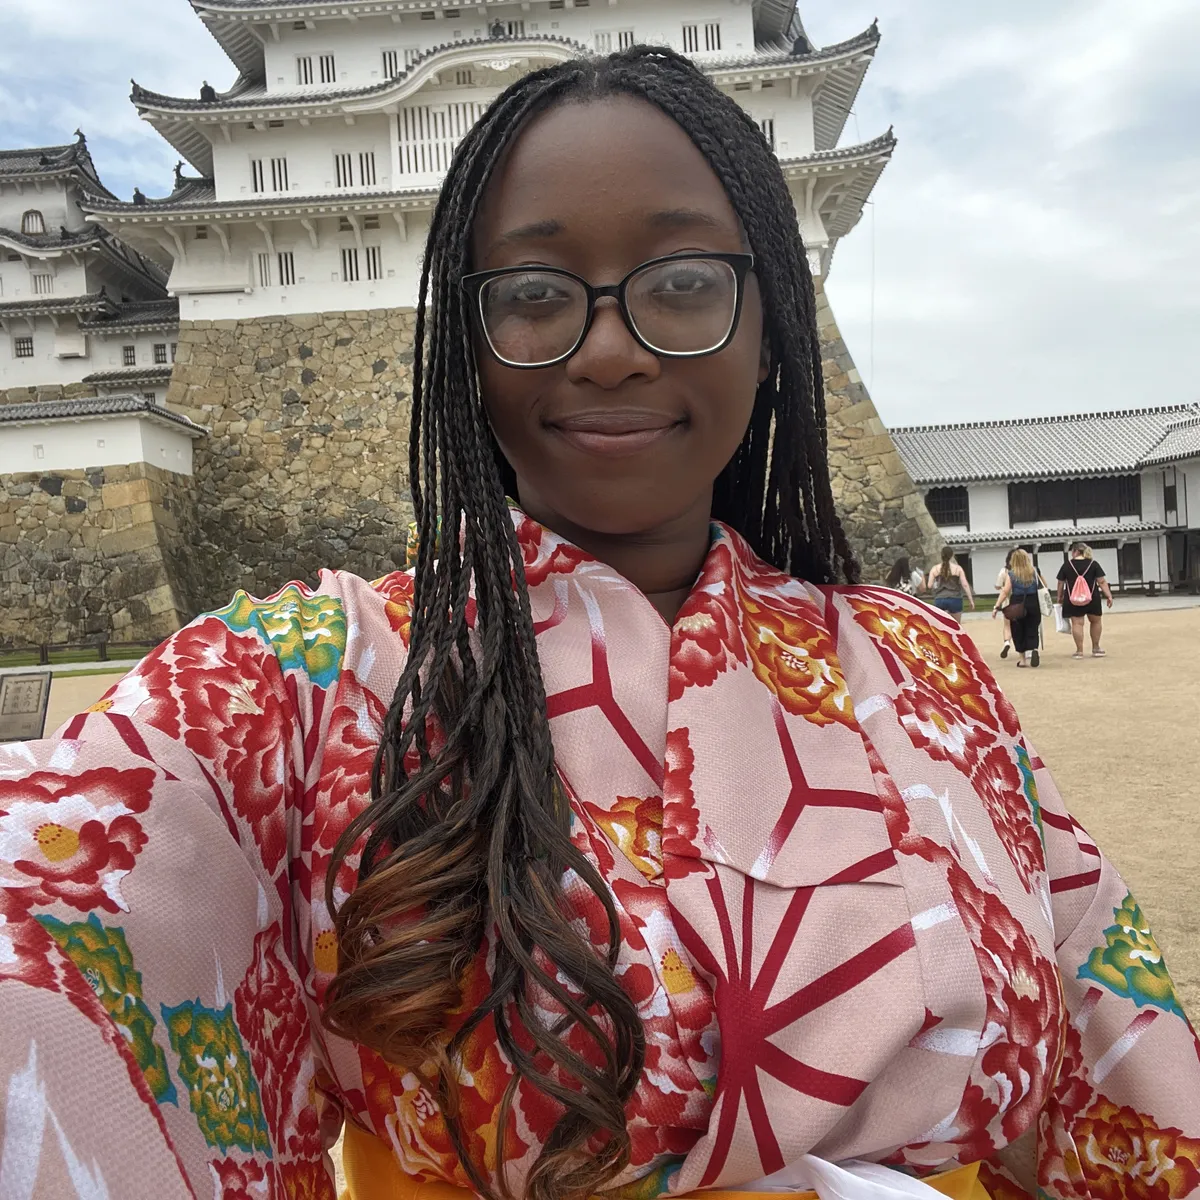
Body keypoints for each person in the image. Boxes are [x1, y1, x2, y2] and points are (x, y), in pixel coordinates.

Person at [2, 46, 1196, 1200]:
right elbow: (52, 914)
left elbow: (1122, 1069)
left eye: (684, 284)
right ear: (467, 353)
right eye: (534, 296)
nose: (613, 351)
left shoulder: (922, 667)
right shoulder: (310, 688)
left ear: (771, 330)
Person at [1057, 541, 1113, 659]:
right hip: (1092, 597)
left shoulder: (1067, 565)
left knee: (1077, 623)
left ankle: (1079, 651)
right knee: (1096, 621)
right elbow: (1101, 581)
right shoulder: (1093, 564)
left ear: (1076, 551)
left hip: (1073, 598)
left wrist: (1059, 597)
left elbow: (1060, 583)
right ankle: (1096, 648)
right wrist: (1108, 595)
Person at [991, 548, 1046, 668]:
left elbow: (1005, 591)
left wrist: (997, 606)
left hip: (1017, 603)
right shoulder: (1034, 571)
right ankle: (1034, 649)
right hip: (1033, 602)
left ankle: (1022, 660)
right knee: (1033, 628)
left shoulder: (1011, 574)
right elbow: (1044, 585)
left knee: (1018, 630)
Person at [926, 544, 975, 623]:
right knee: (956, 625)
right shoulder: (958, 568)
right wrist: (971, 600)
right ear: (952, 555)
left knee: (941, 625)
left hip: (940, 599)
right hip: (955, 599)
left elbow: (929, 585)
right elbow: (965, 585)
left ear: (941, 555)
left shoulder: (935, 569)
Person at [994, 549, 1015, 657]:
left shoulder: (1004, 571)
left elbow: (998, 586)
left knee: (1007, 625)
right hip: (1021, 601)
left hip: (1007, 602)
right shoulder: (1023, 571)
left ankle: (1007, 642)